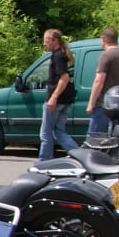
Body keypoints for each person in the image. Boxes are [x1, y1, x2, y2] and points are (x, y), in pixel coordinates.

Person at [38, 28, 79, 160]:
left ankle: (44, 162)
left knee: (45, 133)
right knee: (59, 131)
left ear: (54, 41)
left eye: (46, 41)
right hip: (66, 100)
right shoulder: (64, 55)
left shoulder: (58, 56)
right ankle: (78, 155)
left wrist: (53, 97)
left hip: (57, 100)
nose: (44, 44)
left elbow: (64, 77)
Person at [85, 26, 119, 138]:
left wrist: (91, 103)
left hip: (103, 105)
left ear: (103, 39)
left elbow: (99, 80)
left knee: (93, 138)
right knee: (115, 139)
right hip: (118, 106)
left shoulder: (106, 56)